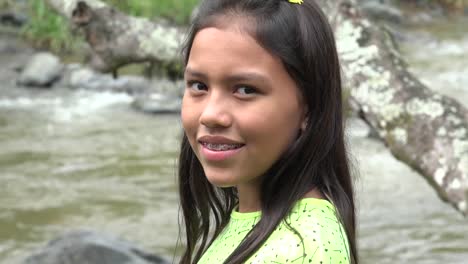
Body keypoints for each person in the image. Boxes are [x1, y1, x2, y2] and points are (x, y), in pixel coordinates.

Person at [177, 0, 358, 263]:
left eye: (245, 90)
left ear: (309, 107)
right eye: (199, 85)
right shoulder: (252, 220)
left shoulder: (303, 249)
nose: (211, 114)